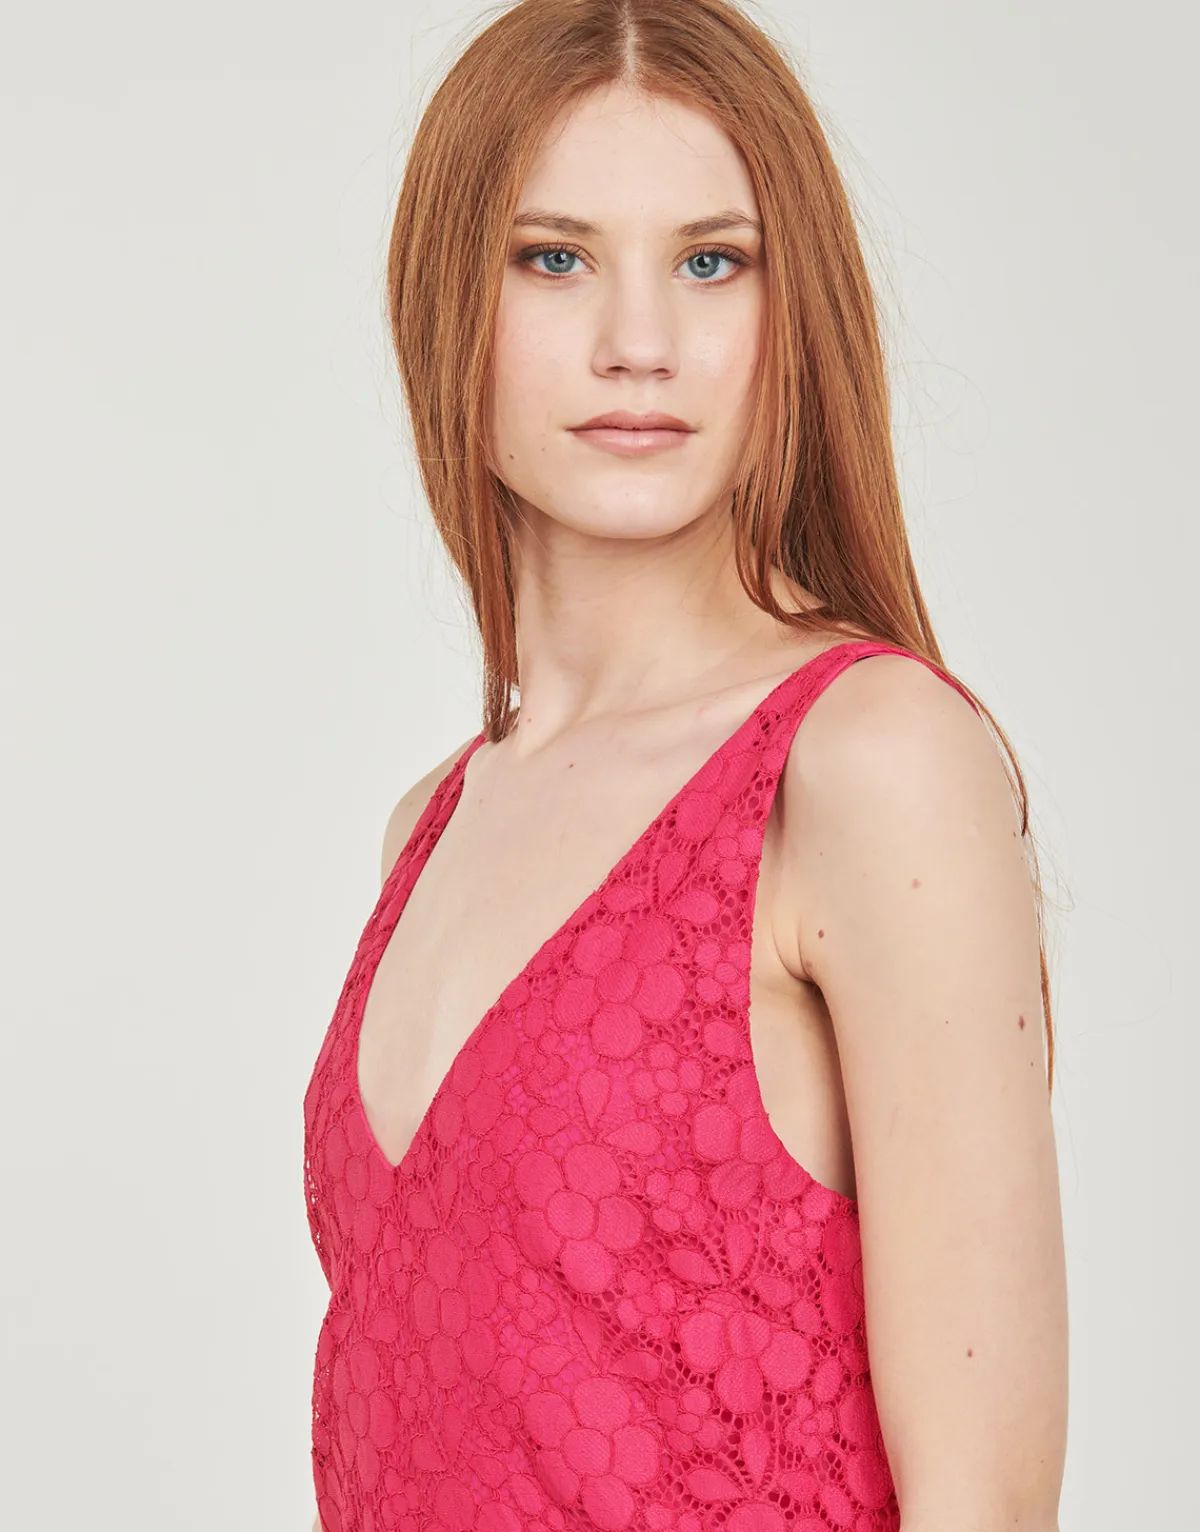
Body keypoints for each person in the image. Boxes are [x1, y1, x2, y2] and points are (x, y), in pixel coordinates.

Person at [304, 3, 1069, 1528]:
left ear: (795, 310)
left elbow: (983, 1501)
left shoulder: (867, 761)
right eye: (554, 258)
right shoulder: (431, 824)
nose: (638, 342)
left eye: (713, 262)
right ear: (446, 295)